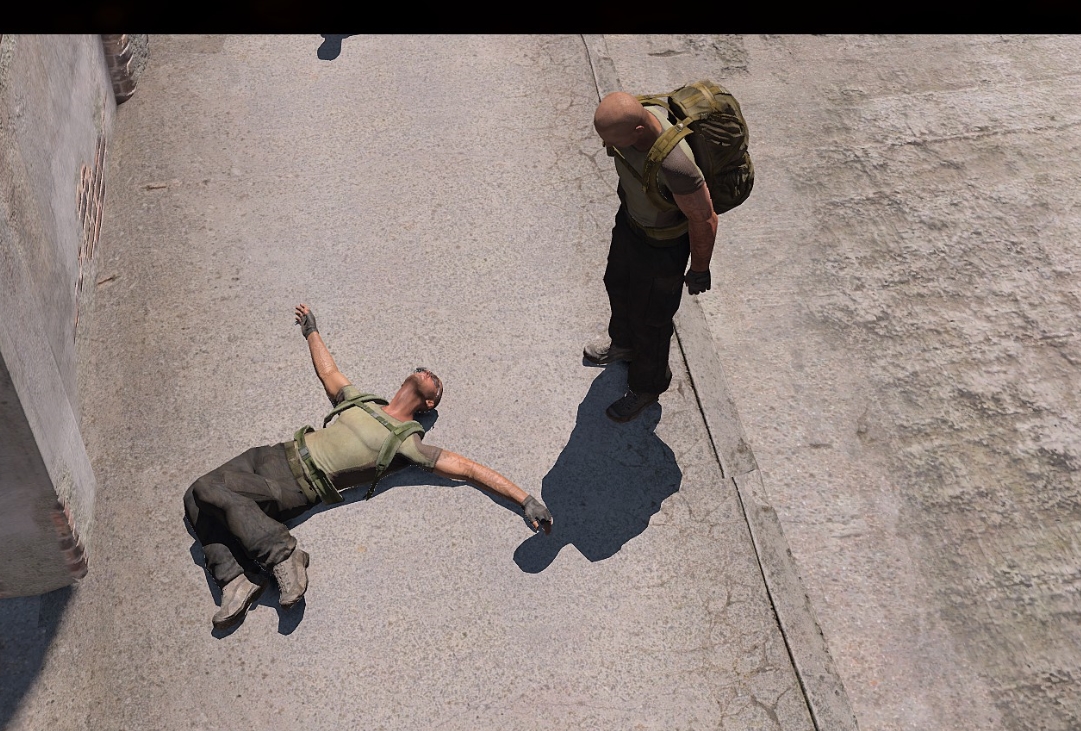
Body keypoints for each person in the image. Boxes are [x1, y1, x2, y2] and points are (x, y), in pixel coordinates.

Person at [183, 304, 555, 628]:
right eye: (428, 372)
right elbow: (329, 372)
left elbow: (470, 470)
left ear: (429, 405)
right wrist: (311, 330)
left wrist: (525, 500)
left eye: (437, 386)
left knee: (208, 490)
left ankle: (283, 554)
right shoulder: (360, 401)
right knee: (195, 498)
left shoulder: (406, 443)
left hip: (298, 483)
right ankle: (234, 580)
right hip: (274, 453)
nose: (432, 376)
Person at [585, 91, 720, 422]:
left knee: (652, 323)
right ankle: (623, 345)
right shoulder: (635, 117)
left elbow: (704, 219)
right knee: (616, 283)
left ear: (638, 132)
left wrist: (699, 269)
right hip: (632, 224)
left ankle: (647, 386)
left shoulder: (676, 166)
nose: (607, 147)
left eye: (613, 141)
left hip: (663, 249)